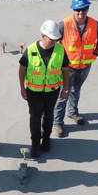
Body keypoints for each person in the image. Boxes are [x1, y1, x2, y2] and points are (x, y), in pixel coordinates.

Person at [53, 0, 98, 136]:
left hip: (85, 66)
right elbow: (53, 40)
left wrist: (95, 53)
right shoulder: (64, 24)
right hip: (67, 68)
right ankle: (57, 122)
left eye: (83, 9)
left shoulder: (95, 24)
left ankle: (73, 113)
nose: (81, 13)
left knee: (76, 90)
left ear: (87, 9)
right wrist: (57, 59)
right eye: (77, 10)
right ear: (73, 10)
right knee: (63, 93)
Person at [18, 20, 69, 158]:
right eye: (51, 38)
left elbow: (65, 70)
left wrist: (65, 89)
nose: (53, 41)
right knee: (35, 117)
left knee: (48, 116)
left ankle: (46, 139)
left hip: (52, 91)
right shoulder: (31, 50)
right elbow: (22, 69)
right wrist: (22, 88)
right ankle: (35, 143)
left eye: (55, 39)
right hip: (34, 92)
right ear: (43, 35)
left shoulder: (60, 50)